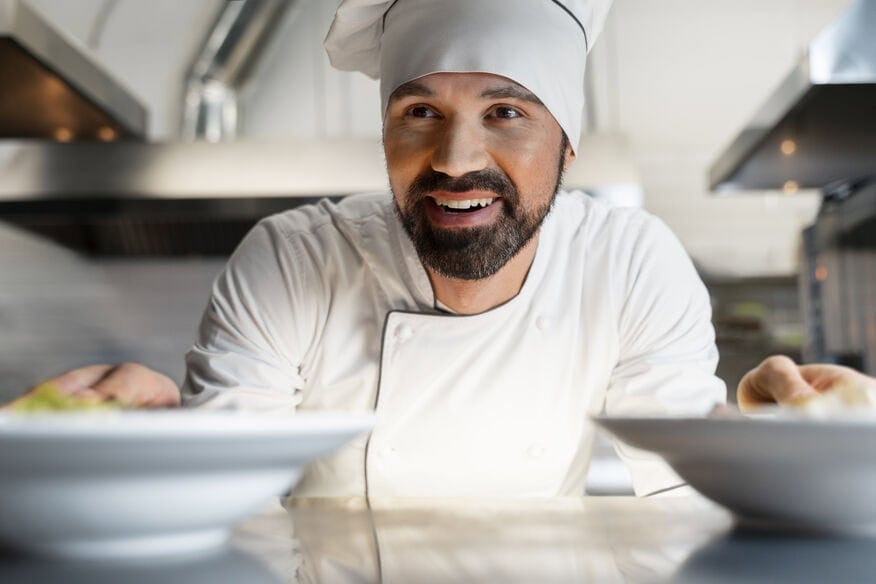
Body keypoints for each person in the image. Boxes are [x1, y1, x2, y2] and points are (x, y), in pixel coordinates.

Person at [8, 0, 860, 497]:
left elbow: (681, 493)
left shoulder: (630, 262)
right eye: (420, 113)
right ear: (384, 133)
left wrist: (785, 444)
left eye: (506, 113)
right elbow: (220, 498)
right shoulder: (292, 259)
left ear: (570, 145)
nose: (454, 161)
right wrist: (141, 446)